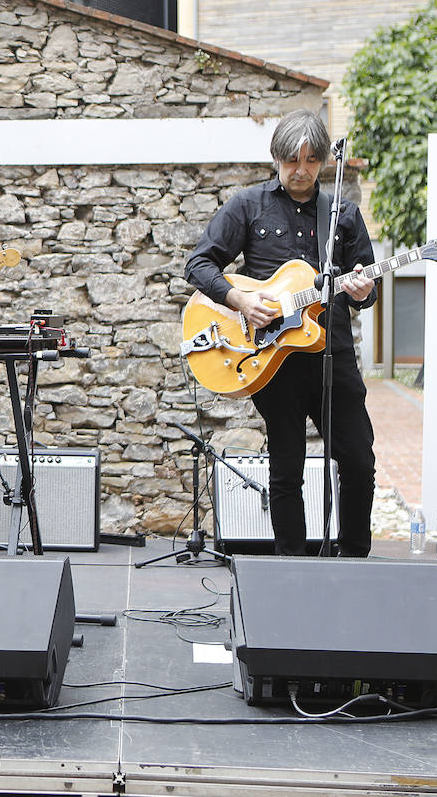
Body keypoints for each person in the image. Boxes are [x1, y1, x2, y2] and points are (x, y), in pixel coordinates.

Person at [184, 109, 377, 557]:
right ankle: (290, 563)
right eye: (292, 160)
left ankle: (354, 558)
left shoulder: (343, 215)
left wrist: (364, 290)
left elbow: (364, 291)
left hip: (333, 354)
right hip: (274, 359)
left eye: (311, 161)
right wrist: (240, 300)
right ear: (276, 158)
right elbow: (199, 264)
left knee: (358, 459)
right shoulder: (248, 205)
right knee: (286, 467)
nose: (301, 170)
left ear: (325, 162)